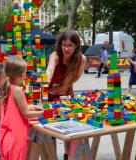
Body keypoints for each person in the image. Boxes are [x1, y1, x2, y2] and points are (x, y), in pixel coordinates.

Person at [46, 30, 86, 160]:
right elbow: (50, 69)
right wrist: (46, 80)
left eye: (70, 45)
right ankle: (51, 156)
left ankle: (68, 156)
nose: (66, 48)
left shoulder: (81, 59)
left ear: (77, 46)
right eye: (64, 45)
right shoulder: (55, 55)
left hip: (66, 94)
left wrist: (62, 88)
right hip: (50, 95)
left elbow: (76, 77)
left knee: (70, 126)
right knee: (50, 128)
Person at [0, 56, 44, 160]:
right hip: (16, 136)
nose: (26, 74)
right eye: (25, 71)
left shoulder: (6, 87)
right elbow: (26, 114)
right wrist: (44, 113)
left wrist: (29, 107)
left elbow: (13, 108)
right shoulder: (17, 90)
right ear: (20, 74)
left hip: (6, 135)